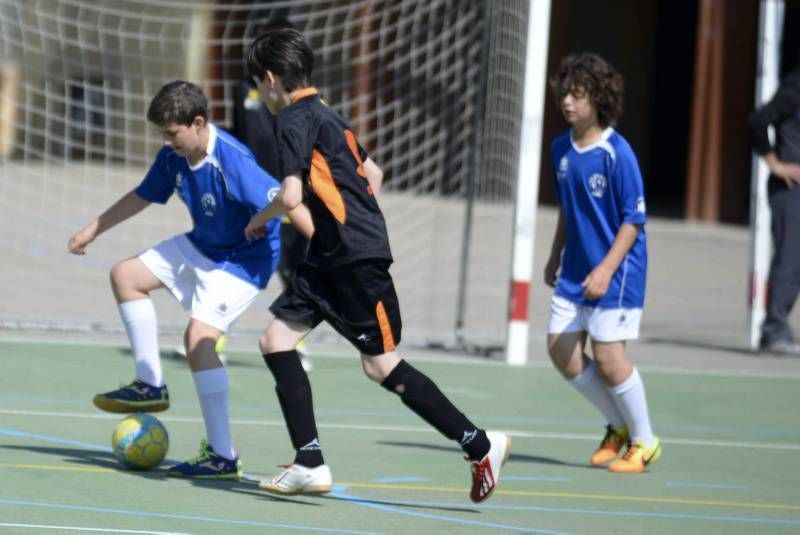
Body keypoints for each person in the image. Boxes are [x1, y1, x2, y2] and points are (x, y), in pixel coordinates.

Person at [242, 27, 510, 503]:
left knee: (381, 365)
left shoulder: (291, 120)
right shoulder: (329, 115)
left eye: (259, 84)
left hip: (352, 260)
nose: (260, 92)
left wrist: (259, 220)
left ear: (269, 79)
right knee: (276, 340)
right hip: (333, 255)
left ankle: (480, 444)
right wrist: (349, 223)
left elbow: (290, 195)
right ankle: (309, 461)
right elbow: (375, 174)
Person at [67, 80, 312, 479]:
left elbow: (288, 201)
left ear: (198, 123)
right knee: (125, 276)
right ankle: (150, 384)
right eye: (162, 134)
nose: (166, 142)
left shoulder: (232, 160)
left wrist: (326, 248)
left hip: (244, 259)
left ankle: (222, 455)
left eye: (172, 133)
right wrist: (93, 229)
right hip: (203, 245)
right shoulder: (173, 156)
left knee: (198, 340)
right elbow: (141, 195)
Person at [543, 53, 661, 473]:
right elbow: (567, 209)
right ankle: (617, 425)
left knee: (610, 359)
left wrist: (607, 268)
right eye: (565, 94)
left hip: (618, 271)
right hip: (574, 269)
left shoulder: (617, 153)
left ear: (599, 99)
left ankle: (645, 442)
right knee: (561, 349)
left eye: (578, 95)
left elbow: (634, 219)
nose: (568, 102)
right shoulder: (561, 148)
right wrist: (555, 253)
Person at [231, 55, 314, 372]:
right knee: (240, 267)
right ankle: (213, 336)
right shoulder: (243, 89)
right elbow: (239, 135)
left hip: (289, 193)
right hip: (254, 194)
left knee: (293, 271)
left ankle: (295, 339)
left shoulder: (302, 102)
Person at [748, 67, 800, 356]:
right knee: (790, 260)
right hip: (790, 188)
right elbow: (758, 121)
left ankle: (778, 327)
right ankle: (774, 330)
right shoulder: (795, 88)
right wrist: (776, 164)